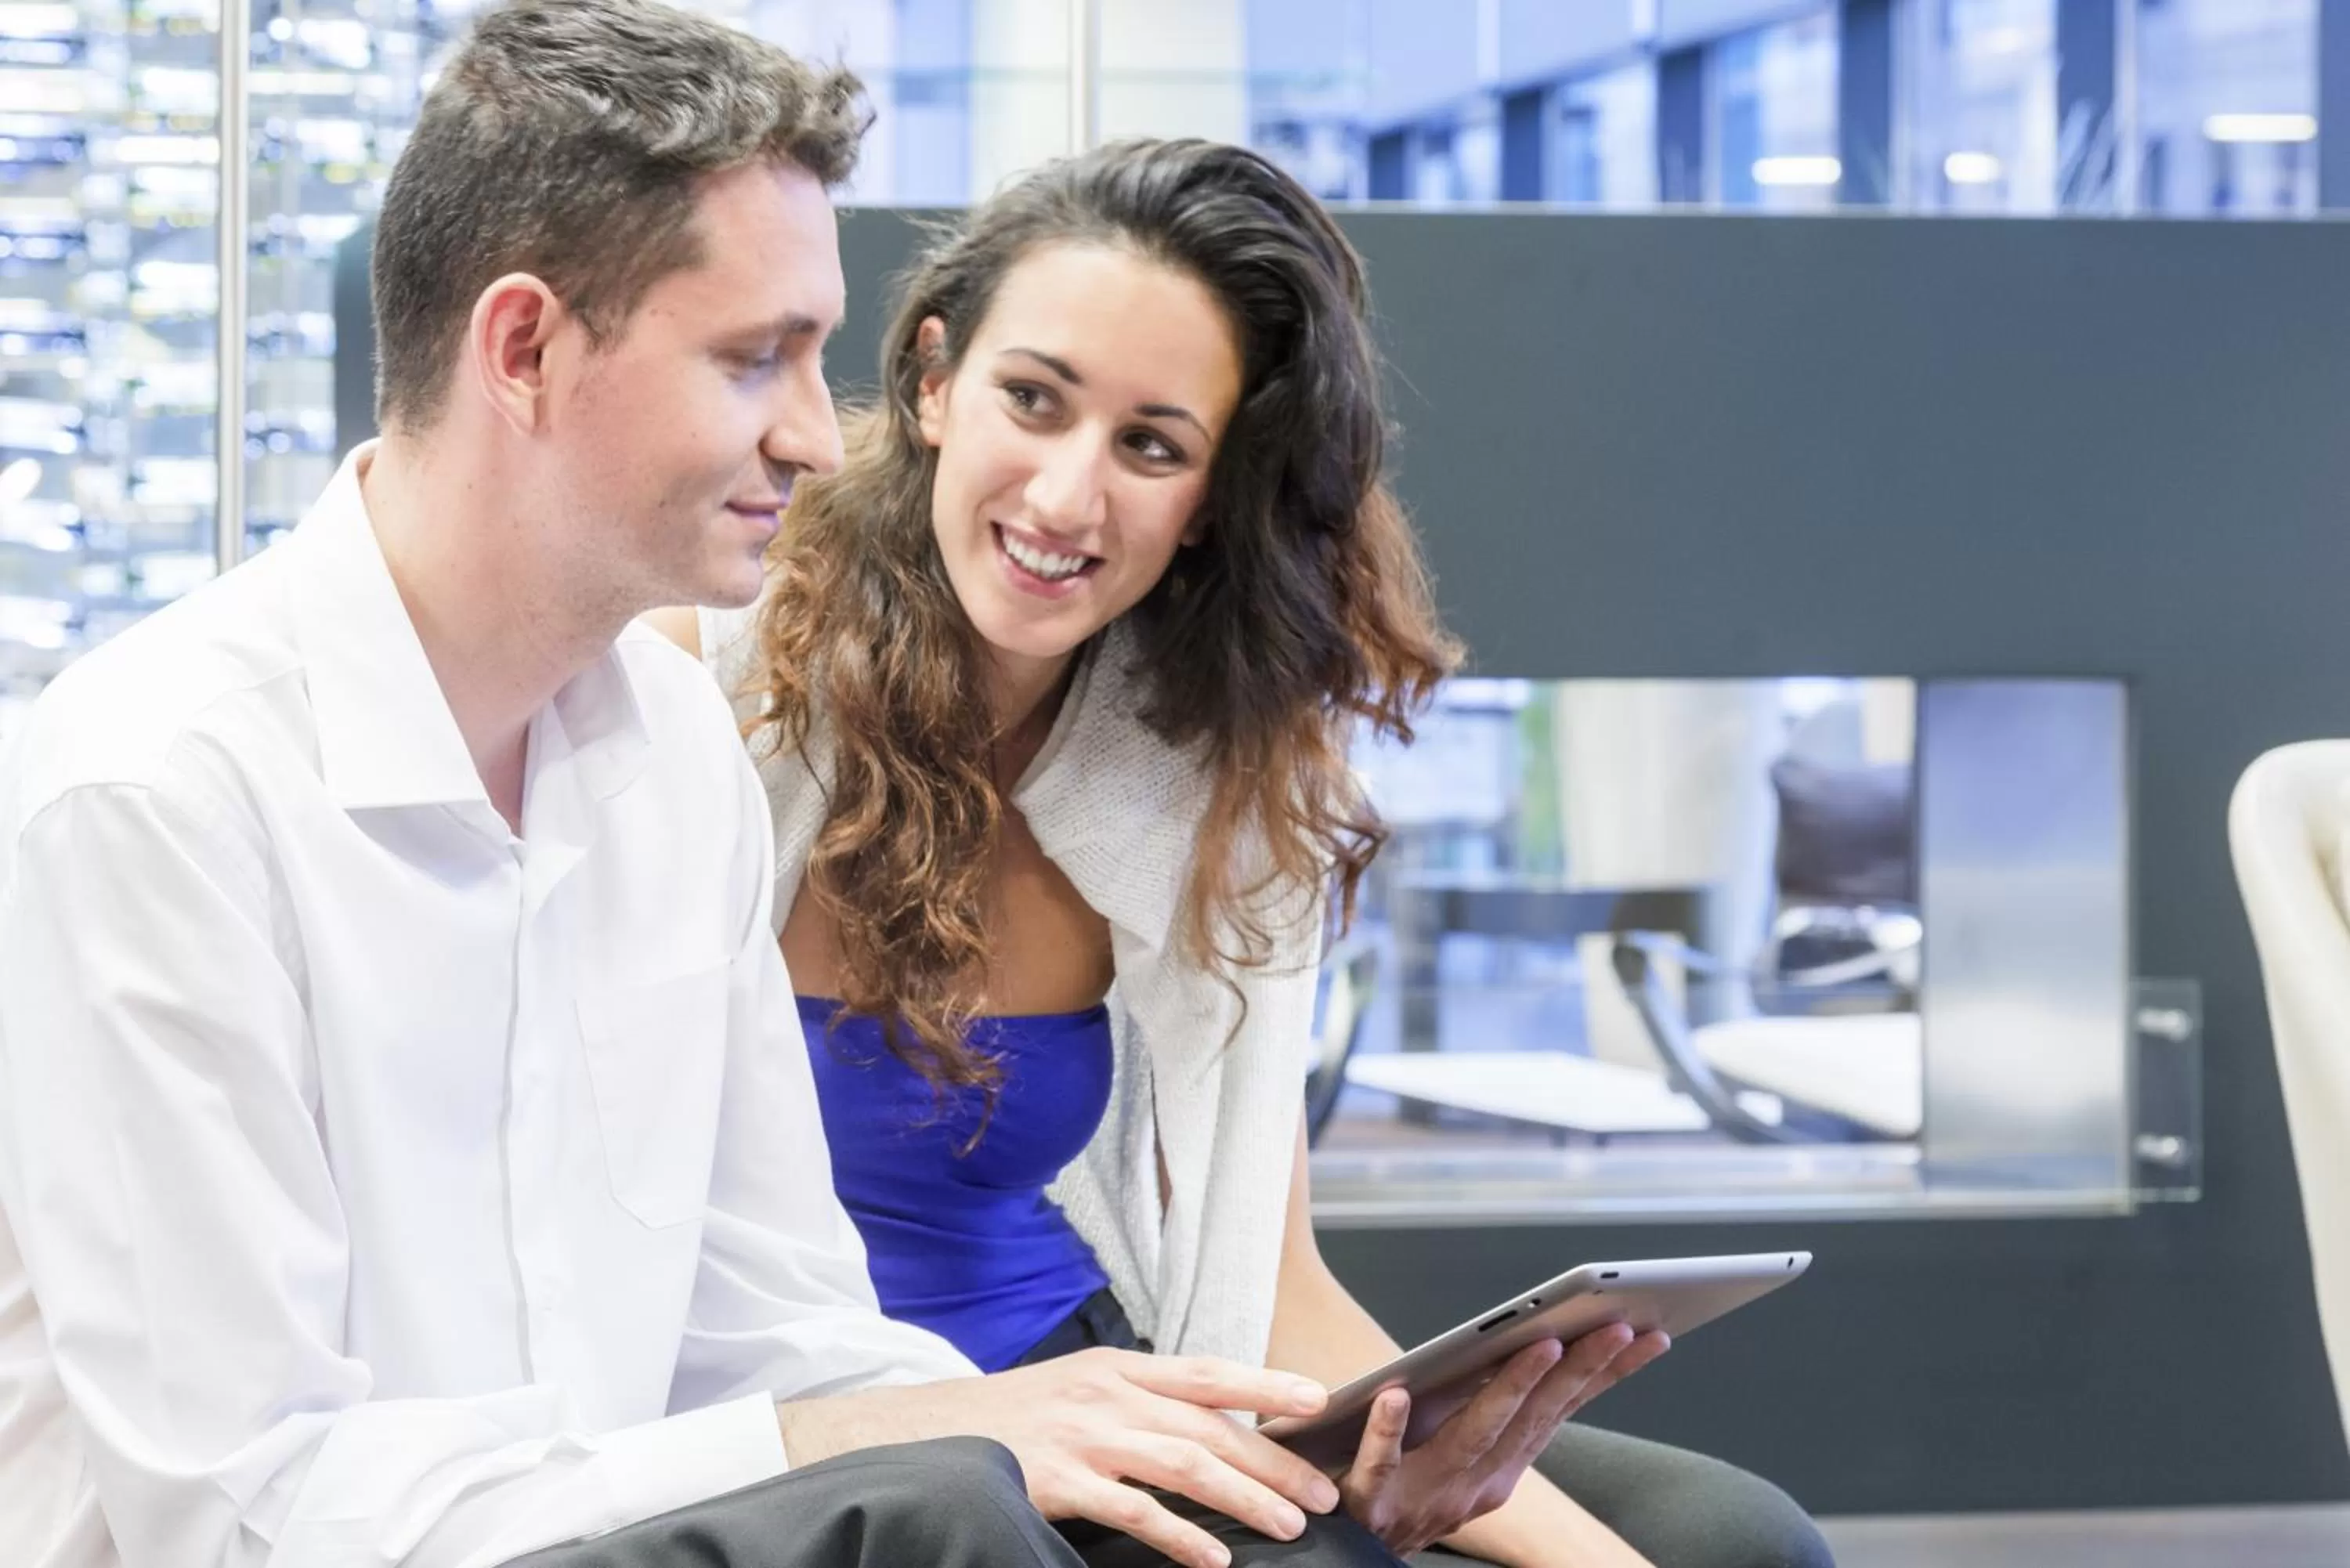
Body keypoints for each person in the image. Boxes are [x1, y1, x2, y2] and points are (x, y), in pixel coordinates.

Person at [0, 8, 1527, 1568]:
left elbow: (785, 1326)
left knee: (1223, 1526)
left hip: (631, 1518)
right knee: (951, 1508)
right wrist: (886, 1447)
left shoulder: (665, 746)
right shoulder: (157, 788)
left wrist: (1071, 1430)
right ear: (522, 348)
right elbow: (247, 1506)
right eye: (754, 359)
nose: (816, 430)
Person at [662, 138, 1835, 1568]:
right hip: (837, 1443)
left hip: (1115, 1366)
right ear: (929, 383)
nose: (1065, 497)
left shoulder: (1199, 774)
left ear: (1213, 493)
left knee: (1735, 1540)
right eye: (1032, 401)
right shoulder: (708, 687)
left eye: (1151, 444)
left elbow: (1269, 1289)